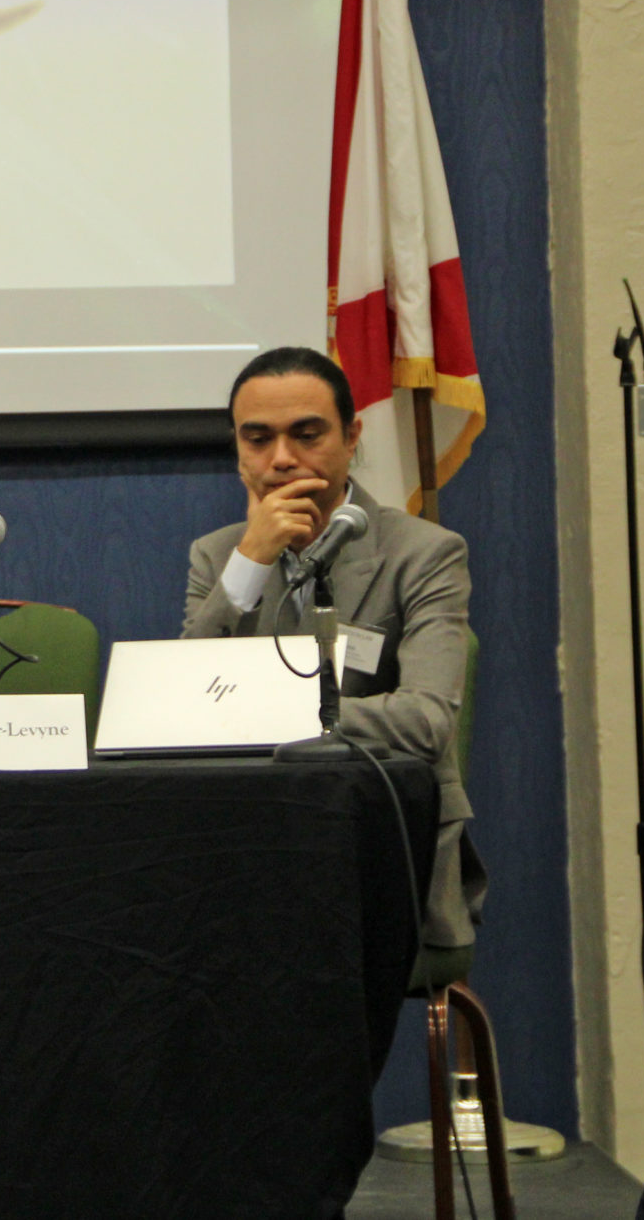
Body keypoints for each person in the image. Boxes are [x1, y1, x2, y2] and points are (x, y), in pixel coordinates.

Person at [182, 345, 485, 947]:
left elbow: (426, 722)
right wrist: (252, 561)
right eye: (258, 439)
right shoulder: (218, 556)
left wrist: (263, 714)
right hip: (247, 848)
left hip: (379, 846)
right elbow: (184, 706)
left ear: (352, 438)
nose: (282, 459)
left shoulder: (424, 554)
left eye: (307, 434)